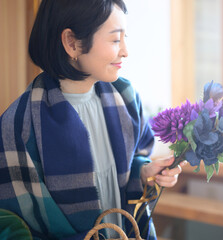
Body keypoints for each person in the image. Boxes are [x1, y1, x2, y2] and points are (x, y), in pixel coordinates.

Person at [0, 0, 186, 239]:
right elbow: (16, 222)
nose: (125, 51)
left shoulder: (127, 99)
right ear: (72, 43)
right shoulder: (18, 124)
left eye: (124, 37)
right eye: (115, 39)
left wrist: (144, 171)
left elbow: (134, 160)